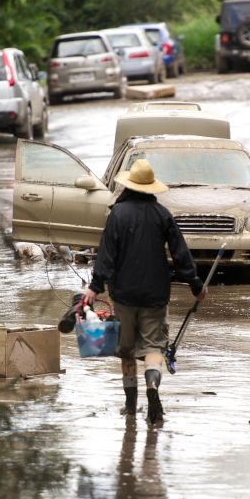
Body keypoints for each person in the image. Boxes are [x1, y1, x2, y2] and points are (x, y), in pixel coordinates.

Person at [82, 159, 207, 425]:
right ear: (150, 188)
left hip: (124, 295)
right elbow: (180, 253)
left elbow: (107, 254)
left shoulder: (117, 214)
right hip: (155, 294)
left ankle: (130, 406)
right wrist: (196, 284)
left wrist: (95, 287)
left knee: (126, 351)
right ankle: (153, 388)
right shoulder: (162, 214)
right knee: (153, 348)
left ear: (128, 185)